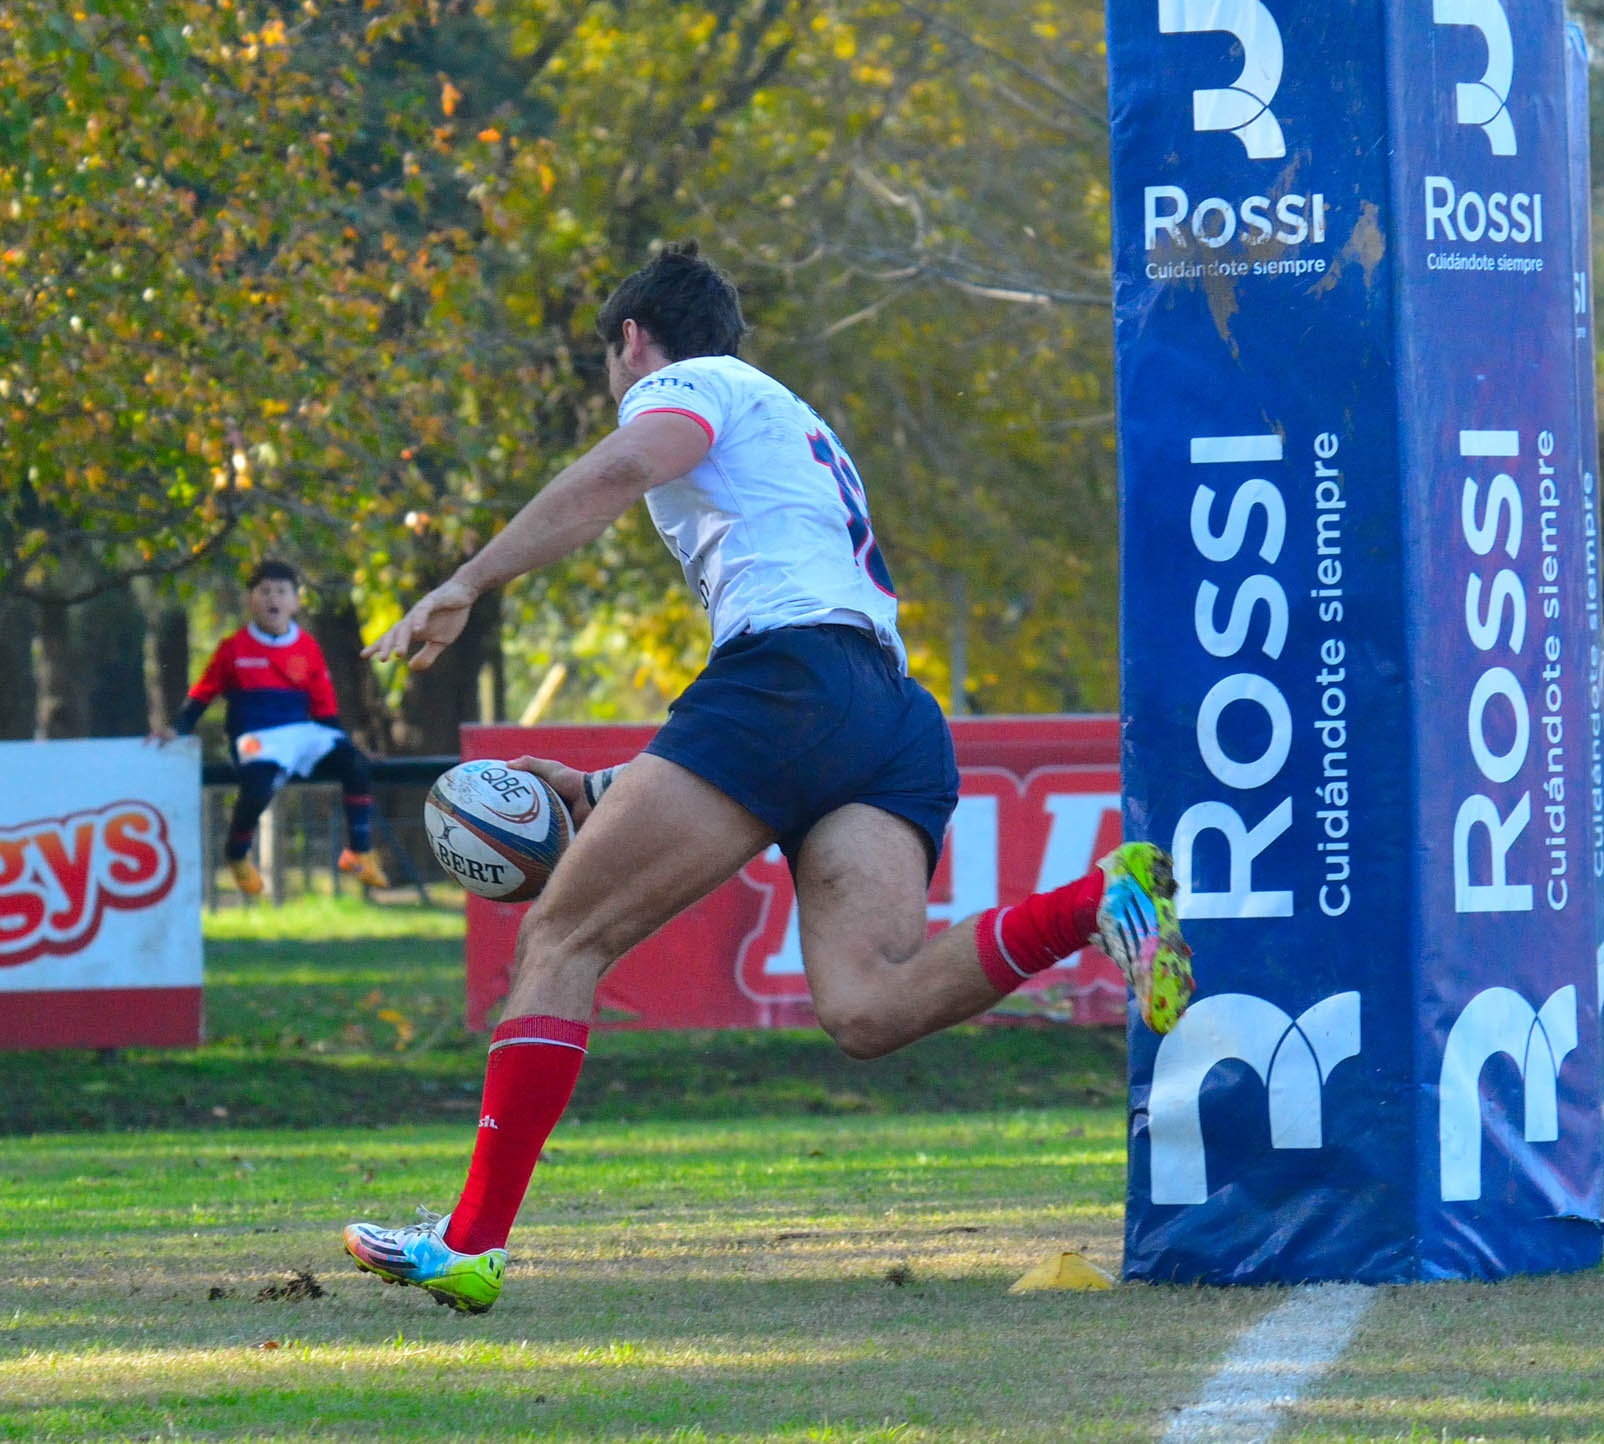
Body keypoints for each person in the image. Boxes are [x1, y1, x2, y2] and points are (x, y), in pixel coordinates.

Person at [342, 242, 1194, 1314]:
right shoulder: (795, 420)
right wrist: (604, 789)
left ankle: (470, 1243)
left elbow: (620, 480)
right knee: (867, 1008)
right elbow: (768, 734)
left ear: (633, 341)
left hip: (791, 687)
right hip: (884, 712)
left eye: (614, 364)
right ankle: (1101, 895)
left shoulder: (688, 385)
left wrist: (466, 580)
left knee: (560, 937)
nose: (618, 390)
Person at [157, 559, 389, 895]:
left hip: (300, 732)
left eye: (281, 591)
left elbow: (325, 708)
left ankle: (358, 852)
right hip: (255, 736)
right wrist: (178, 728)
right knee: (259, 785)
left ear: (295, 601)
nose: (272, 598)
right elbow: (203, 693)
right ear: (251, 600)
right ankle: (236, 855)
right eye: (264, 591)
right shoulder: (233, 648)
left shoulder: (308, 647)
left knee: (355, 765)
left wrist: (350, 747)